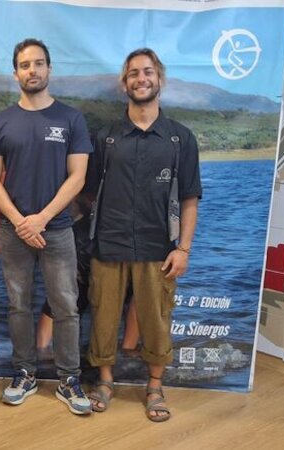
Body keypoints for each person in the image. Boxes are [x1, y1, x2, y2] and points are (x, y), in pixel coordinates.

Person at [86, 48, 202, 421]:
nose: (141, 79)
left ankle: (154, 386)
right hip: (109, 244)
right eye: (134, 73)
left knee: (156, 319)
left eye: (148, 72)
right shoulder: (105, 137)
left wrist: (184, 249)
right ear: (125, 83)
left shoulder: (180, 139)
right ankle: (105, 381)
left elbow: (189, 198)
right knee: (103, 318)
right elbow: (88, 193)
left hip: (159, 248)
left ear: (159, 79)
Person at [0, 38, 93, 416]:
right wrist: (19, 221)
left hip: (57, 229)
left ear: (49, 69)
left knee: (66, 306)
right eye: (25, 65)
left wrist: (42, 219)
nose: (32, 70)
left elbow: (77, 177)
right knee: (18, 305)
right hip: (14, 232)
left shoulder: (71, 118)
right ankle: (25, 373)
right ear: (16, 73)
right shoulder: (1, 122)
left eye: (39, 63)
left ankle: (69, 379)